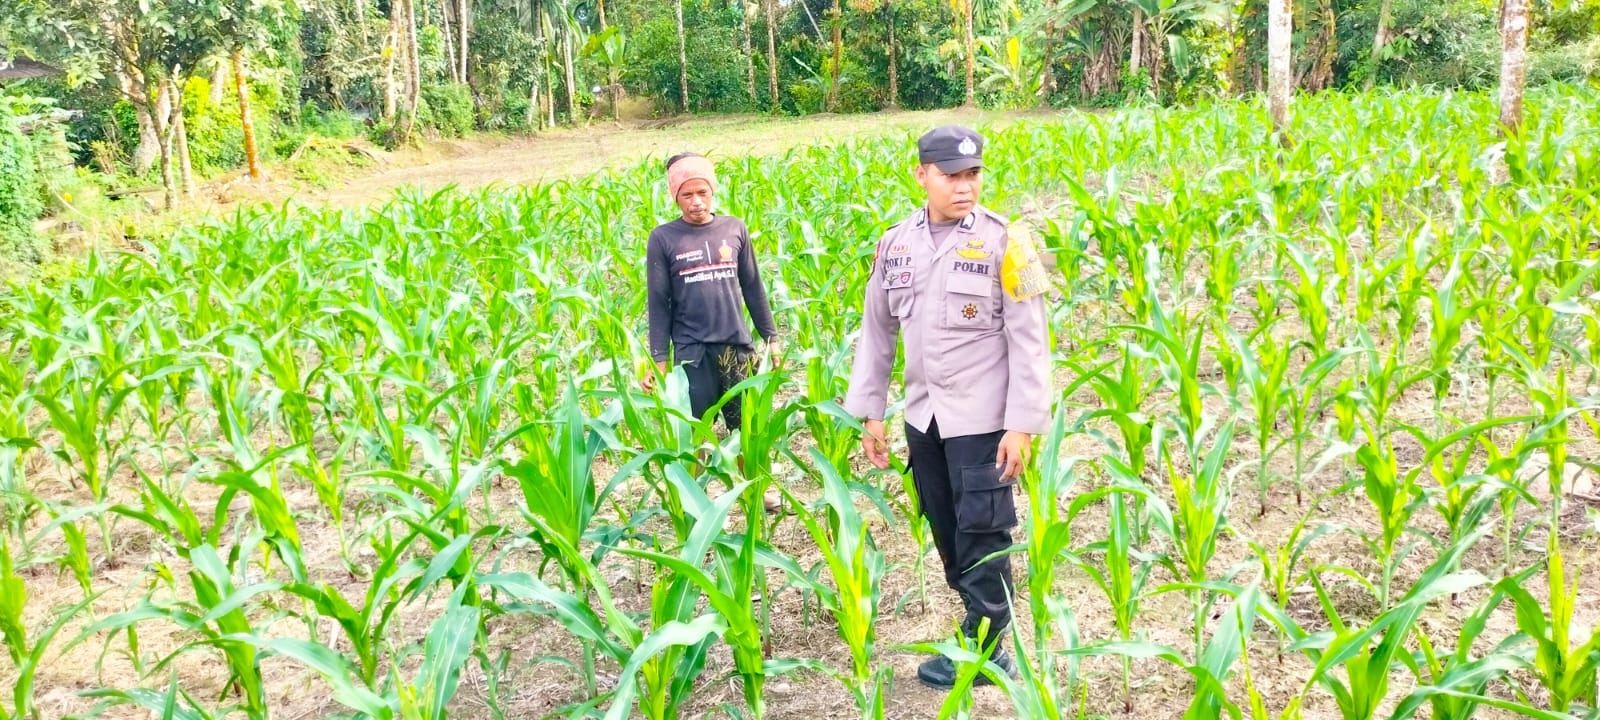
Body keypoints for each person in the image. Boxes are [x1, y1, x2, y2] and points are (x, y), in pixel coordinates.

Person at [842, 125, 1052, 690]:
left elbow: (1031, 338)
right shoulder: (896, 244)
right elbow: (877, 332)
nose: (965, 187)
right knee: (946, 526)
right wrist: (872, 412)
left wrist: (1022, 426)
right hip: (924, 417)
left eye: (973, 174)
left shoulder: (1010, 243)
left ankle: (988, 647)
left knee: (983, 531)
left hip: (983, 421)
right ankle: (975, 623)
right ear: (922, 176)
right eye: (951, 176)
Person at [644, 152, 783, 511]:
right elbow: (658, 302)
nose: (696, 202)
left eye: (702, 192)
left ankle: (755, 489)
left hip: (735, 346)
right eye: (687, 195)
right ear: (675, 197)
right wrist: (658, 358)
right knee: (695, 430)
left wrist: (772, 338)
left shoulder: (733, 229)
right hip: (692, 351)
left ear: (713, 191)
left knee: (746, 427)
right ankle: (696, 500)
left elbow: (753, 287)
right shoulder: (663, 239)